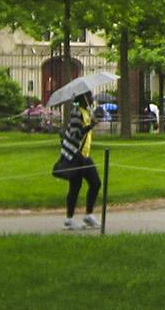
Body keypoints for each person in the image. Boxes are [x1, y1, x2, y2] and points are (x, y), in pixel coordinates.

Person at [54, 94, 102, 229]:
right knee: (93, 183)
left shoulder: (86, 113)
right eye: (90, 96)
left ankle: (76, 218)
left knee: (80, 186)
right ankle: (79, 217)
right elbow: (76, 133)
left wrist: (91, 123)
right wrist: (90, 126)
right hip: (77, 155)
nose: (92, 98)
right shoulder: (77, 113)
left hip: (84, 154)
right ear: (83, 98)